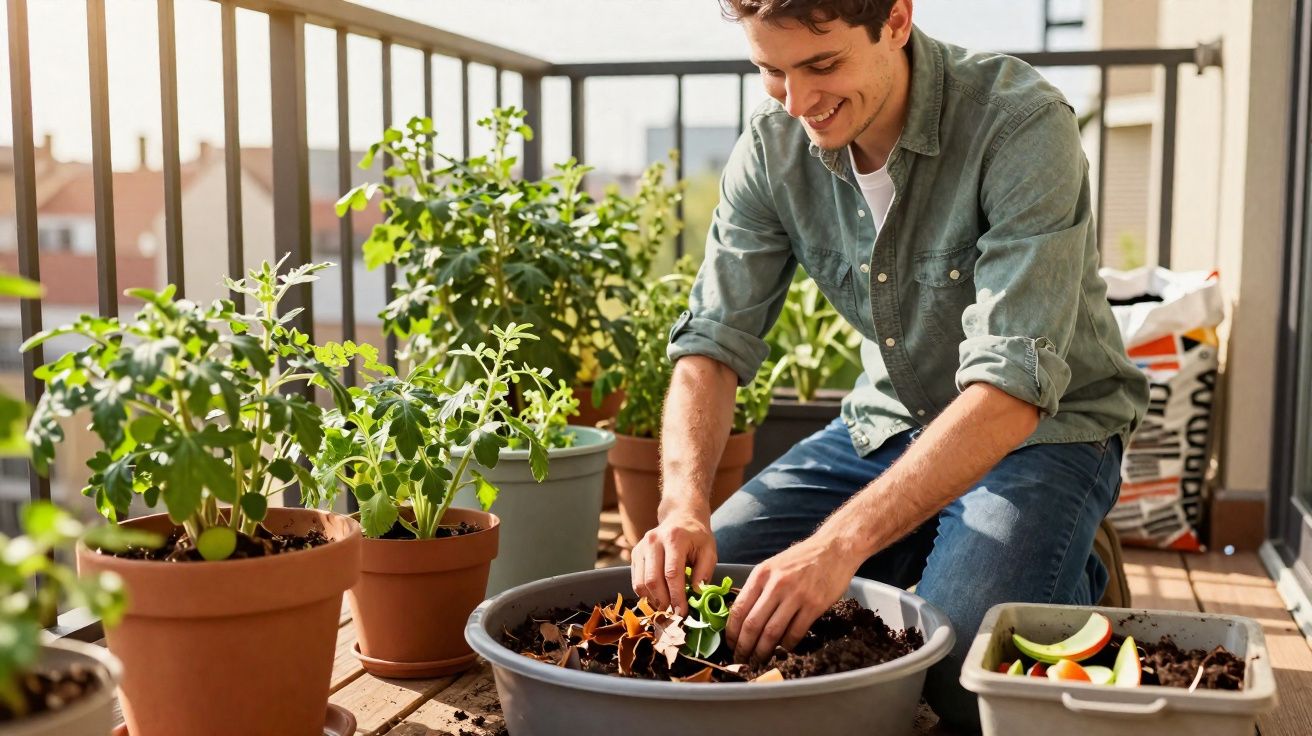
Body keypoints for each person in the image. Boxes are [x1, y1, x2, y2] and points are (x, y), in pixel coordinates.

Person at [629, 0, 1149, 729]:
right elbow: (711, 346)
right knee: (710, 610)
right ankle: (924, 550)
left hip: (1044, 434)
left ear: (897, 20)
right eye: (771, 70)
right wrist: (681, 507)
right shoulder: (772, 147)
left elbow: (1010, 390)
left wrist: (837, 546)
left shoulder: (1020, 123)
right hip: (886, 424)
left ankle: (1067, 568)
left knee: (958, 676)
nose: (799, 101)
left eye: (822, 64)